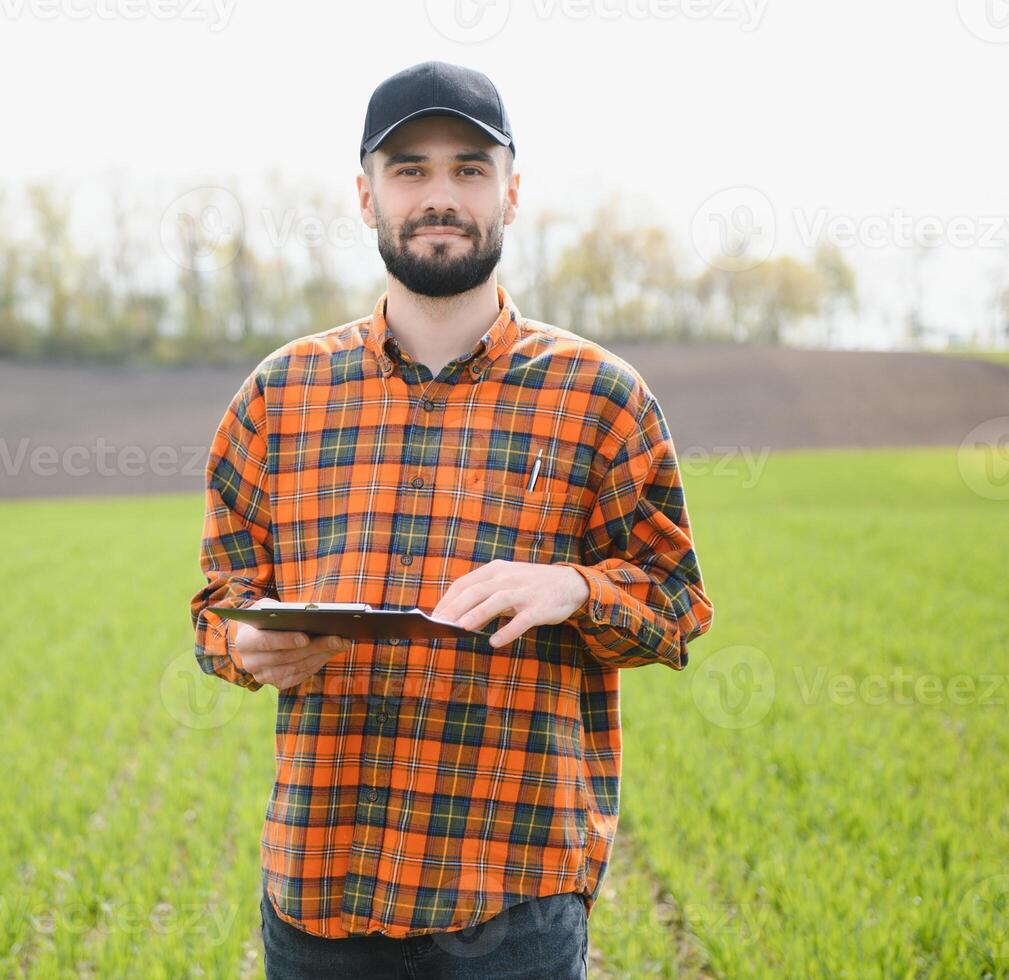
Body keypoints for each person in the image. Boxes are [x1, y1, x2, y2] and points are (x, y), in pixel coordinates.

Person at [190, 59, 714, 980]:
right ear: (365, 196)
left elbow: (675, 608)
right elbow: (219, 602)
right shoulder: (278, 396)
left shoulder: (601, 397)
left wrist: (572, 587)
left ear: (512, 192)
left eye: (470, 169)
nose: (441, 195)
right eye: (411, 170)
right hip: (322, 888)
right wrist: (241, 647)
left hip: (512, 896)